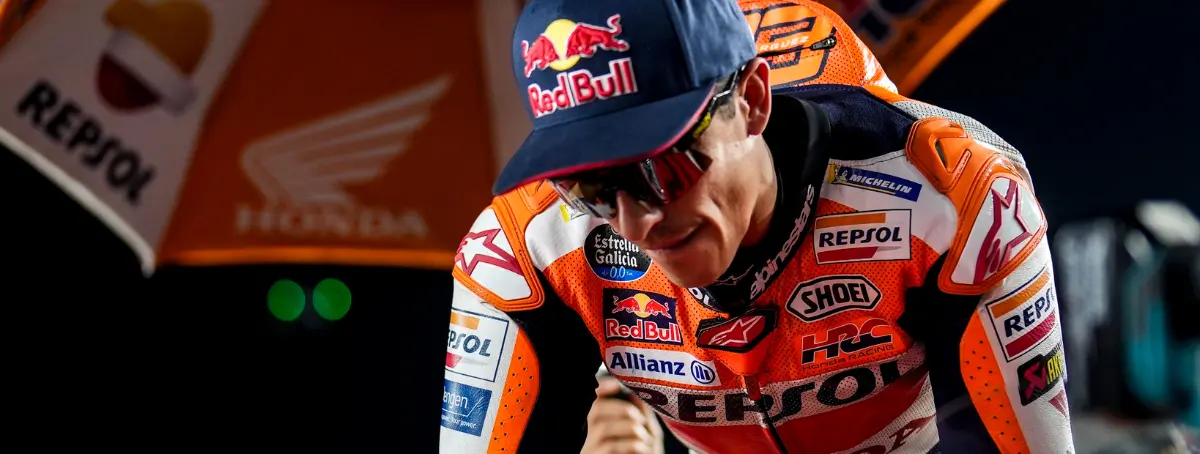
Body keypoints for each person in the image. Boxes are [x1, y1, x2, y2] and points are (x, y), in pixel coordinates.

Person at [439, 0, 1074, 452]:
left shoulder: (954, 200)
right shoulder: (522, 249)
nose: (637, 222)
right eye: (591, 187)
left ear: (752, 102)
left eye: (663, 167)